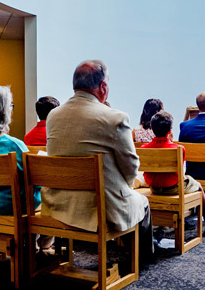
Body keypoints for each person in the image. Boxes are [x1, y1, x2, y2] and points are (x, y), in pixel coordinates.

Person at [43, 60, 155, 265]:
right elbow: (130, 168)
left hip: (59, 204)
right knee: (143, 202)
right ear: (103, 87)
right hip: (100, 208)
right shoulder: (114, 118)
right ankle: (141, 262)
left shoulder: (53, 116)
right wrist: (129, 185)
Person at [142, 110, 205, 236]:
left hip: (154, 188)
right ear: (170, 131)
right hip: (173, 188)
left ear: (152, 129)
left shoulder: (144, 149)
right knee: (198, 186)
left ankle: (163, 229)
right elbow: (179, 173)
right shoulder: (178, 149)